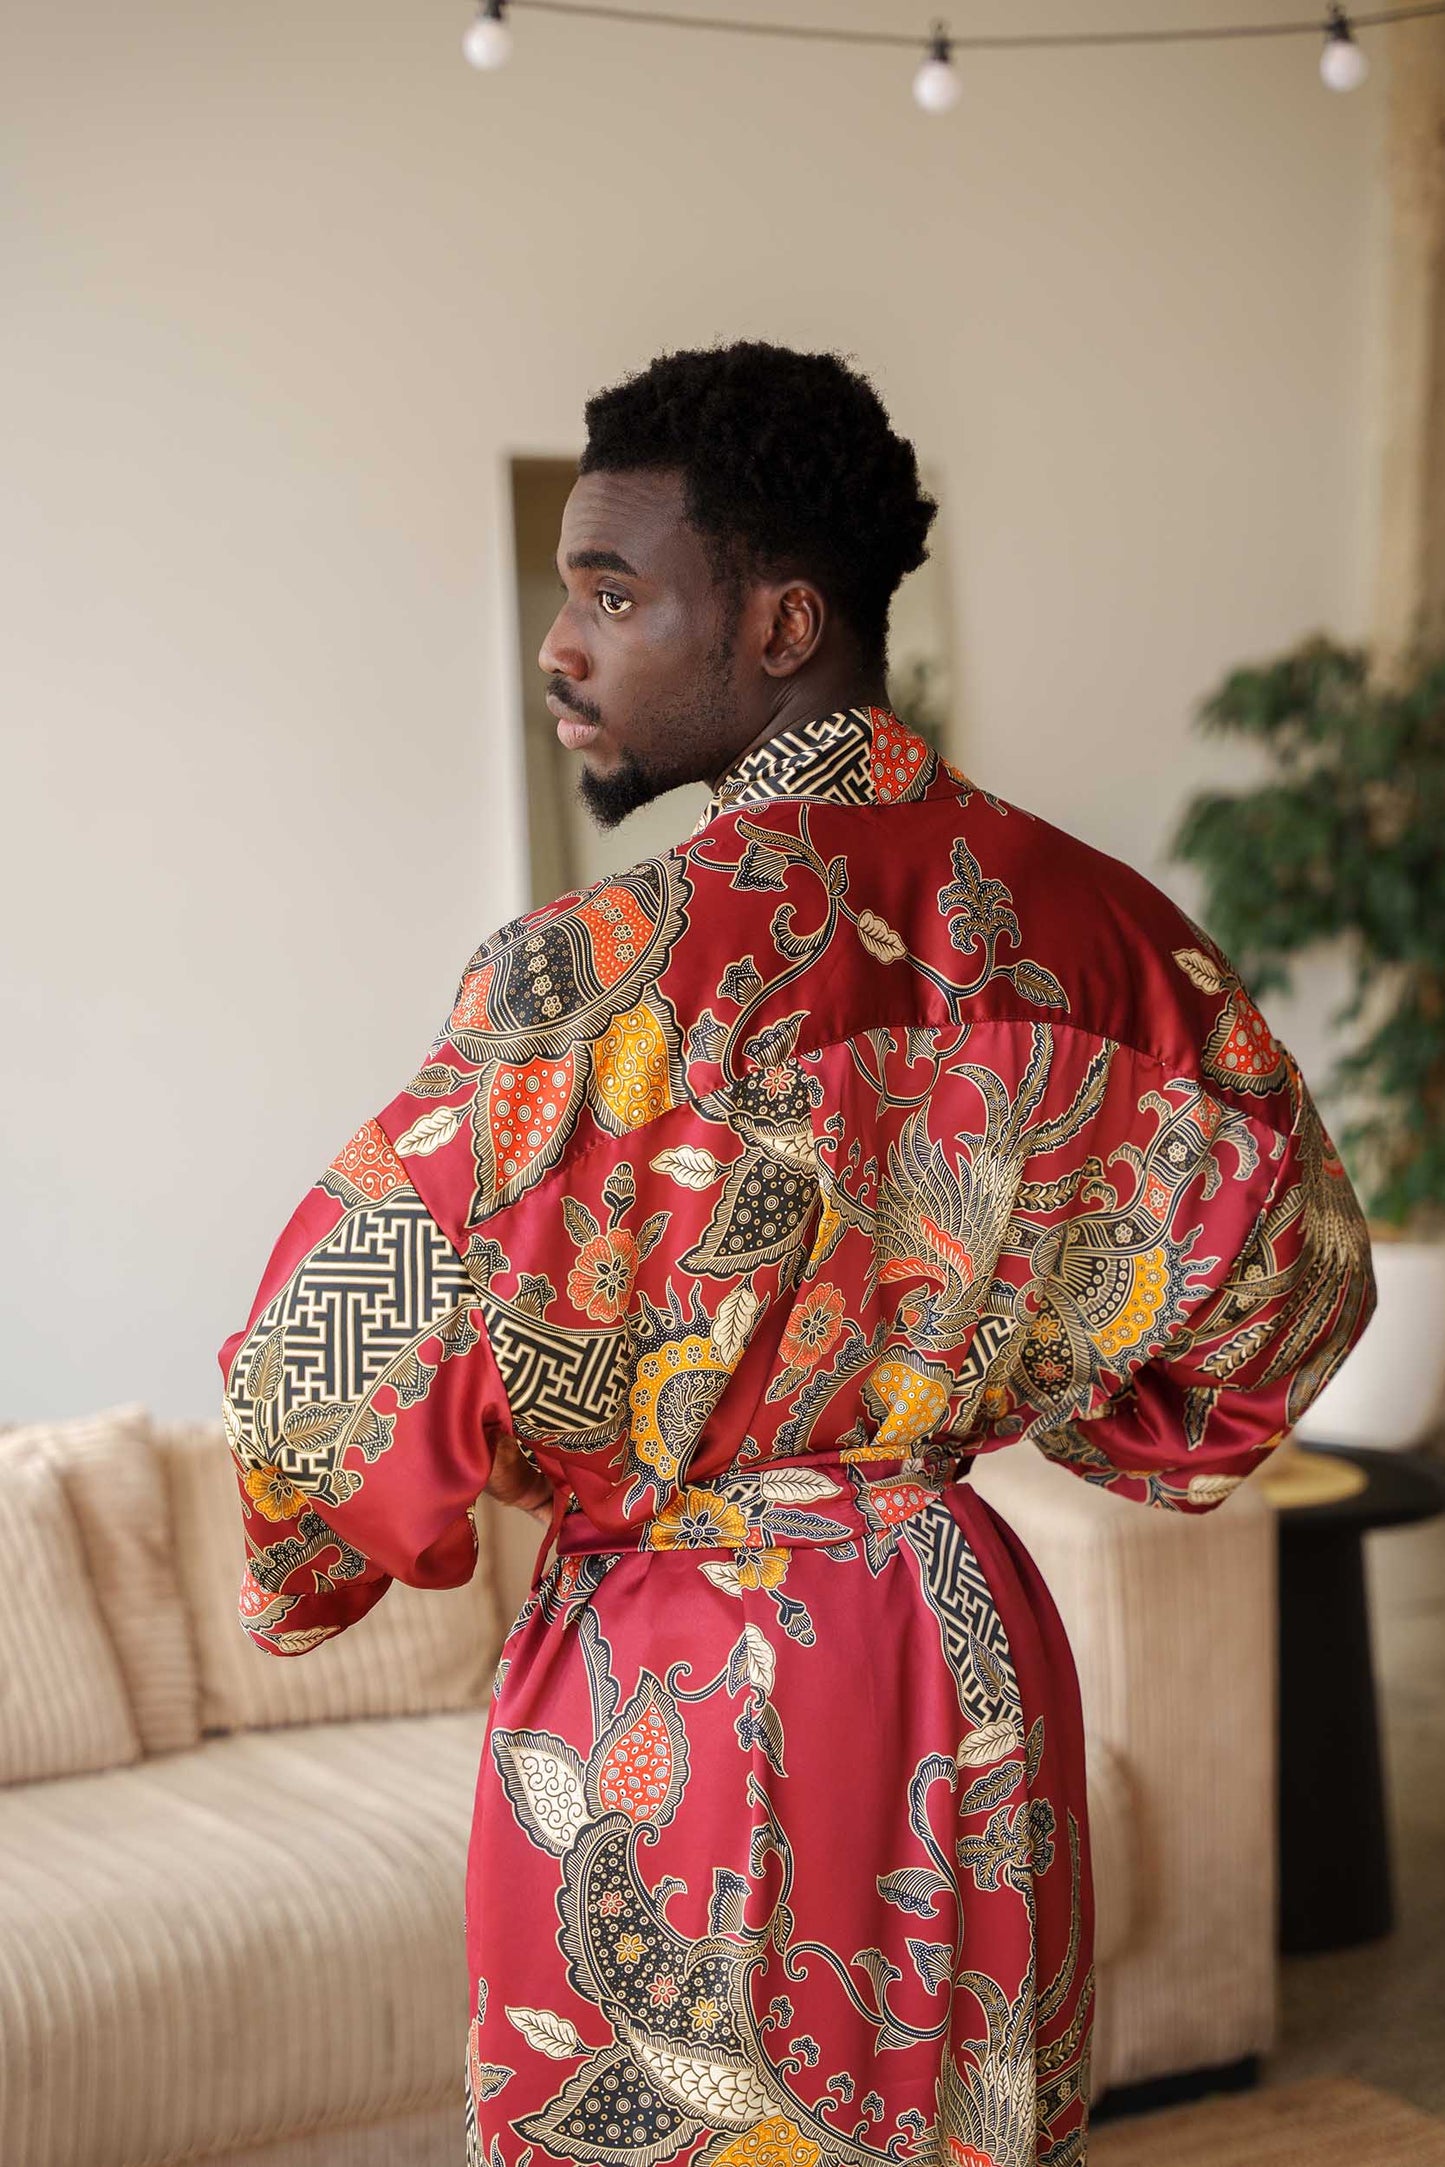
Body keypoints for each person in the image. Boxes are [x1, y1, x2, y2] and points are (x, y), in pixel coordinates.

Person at [219, 341, 1376, 2167]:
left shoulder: (592, 974)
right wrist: (1034, 1391)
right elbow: (1292, 1290)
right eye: (562, 596)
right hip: (959, 1645)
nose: (561, 648)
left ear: (778, 626)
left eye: (613, 594)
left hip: (670, 1673)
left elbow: (321, 1386)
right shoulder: (1103, 933)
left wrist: (477, 1487)